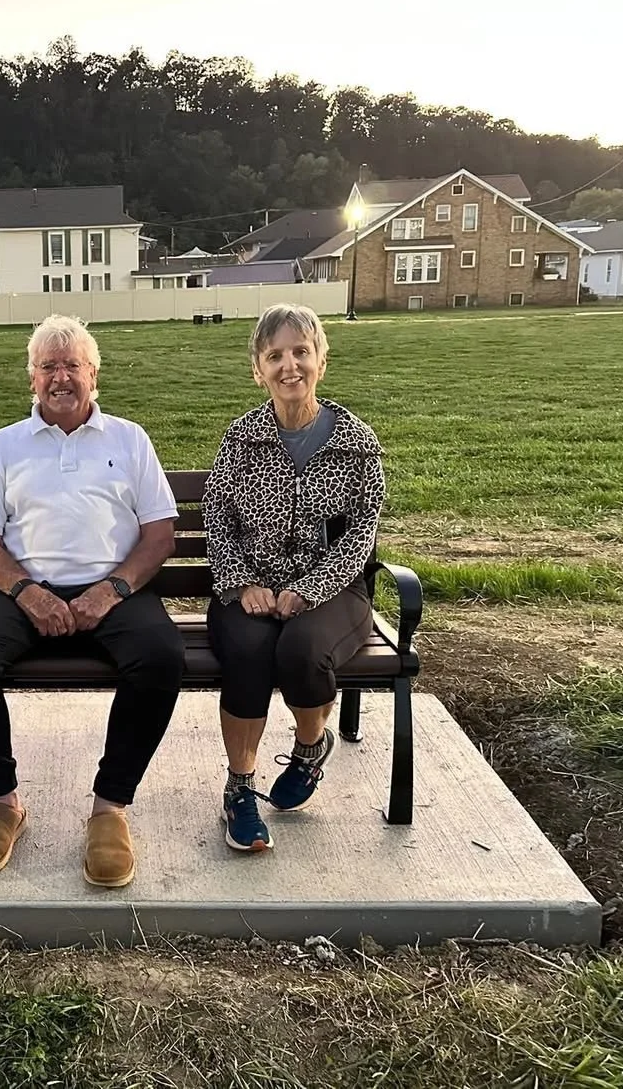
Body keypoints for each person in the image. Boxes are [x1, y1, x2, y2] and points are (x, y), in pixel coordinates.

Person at [0, 315, 183, 889]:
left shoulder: (130, 439)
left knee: (161, 655)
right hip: (23, 589)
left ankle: (109, 809)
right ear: (31, 378)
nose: (60, 377)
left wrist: (113, 589)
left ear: (94, 374)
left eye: (72, 365)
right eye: (48, 366)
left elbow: (160, 534)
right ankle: (3, 803)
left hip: (115, 590)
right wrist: (26, 591)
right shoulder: (5, 445)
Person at [203, 304, 385, 854]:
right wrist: (239, 584)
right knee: (248, 652)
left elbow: (360, 536)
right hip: (252, 589)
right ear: (258, 369)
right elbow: (217, 518)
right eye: (275, 355)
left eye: (301, 352)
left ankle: (309, 749)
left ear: (321, 361)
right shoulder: (242, 440)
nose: (290, 366)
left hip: (334, 589)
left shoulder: (355, 443)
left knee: (303, 651)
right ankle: (240, 789)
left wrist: (308, 589)